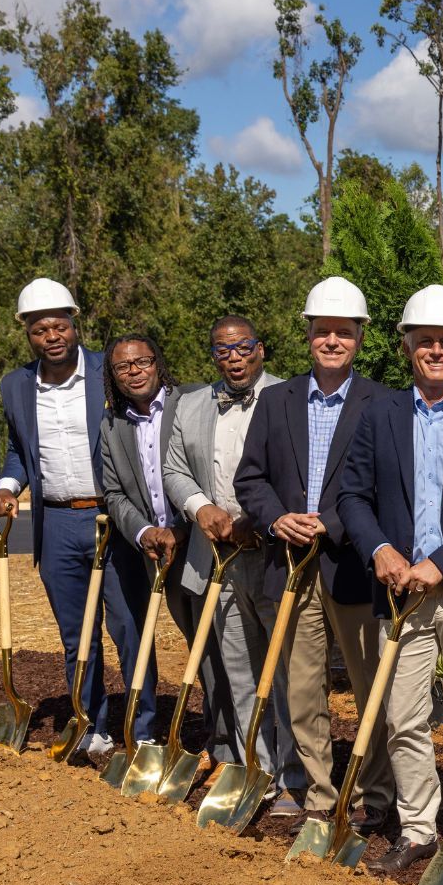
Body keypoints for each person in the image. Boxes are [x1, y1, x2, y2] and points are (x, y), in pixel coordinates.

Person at [336, 284, 443, 877]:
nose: (436, 351)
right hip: (401, 593)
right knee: (401, 716)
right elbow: (353, 494)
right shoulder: (378, 416)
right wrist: (381, 547)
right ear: (408, 346)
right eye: (425, 341)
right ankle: (417, 829)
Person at [234, 276, 394, 834]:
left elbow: (383, 485)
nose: (332, 341)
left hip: (350, 564)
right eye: (322, 331)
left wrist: (329, 522)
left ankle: (375, 794)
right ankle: (322, 795)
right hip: (290, 563)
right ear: (308, 336)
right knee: (302, 687)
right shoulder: (276, 401)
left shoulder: (382, 403)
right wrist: (276, 517)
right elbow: (249, 477)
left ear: (359, 338)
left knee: (369, 681)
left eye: (343, 333)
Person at [0, 278, 144, 757]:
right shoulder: (15, 385)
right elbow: (20, 450)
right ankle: (90, 723)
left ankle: (145, 727)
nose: (51, 335)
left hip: (111, 517)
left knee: (130, 628)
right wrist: (6, 487)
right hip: (55, 524)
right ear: (28, 334)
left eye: (59, 325)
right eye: (39, 329)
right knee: (77, 635)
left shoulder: (105, 371)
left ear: (75, 325)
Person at [163, 315, 305, 808]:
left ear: (260, 349)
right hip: (217, 558)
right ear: (214, 356)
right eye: (223, 350)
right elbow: (174, 469)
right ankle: (255, 768)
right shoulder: (192, 404)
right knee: (238, 669)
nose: (234, 357)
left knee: (286, 671)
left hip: (272, 555)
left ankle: (295, 774)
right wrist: (201, 507)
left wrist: (259, 520)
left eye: (243, 347)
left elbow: (302, 474)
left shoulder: (291, 397)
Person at [97, 334, 201, 762]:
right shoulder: (112, 424)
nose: (134, 371)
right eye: (123, 367)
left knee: (210, 645)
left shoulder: (192, 404)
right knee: (153, 634)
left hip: (196, 544)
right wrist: (144, 534)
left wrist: (179, 527)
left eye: (142, 362)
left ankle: (227, 739)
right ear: (114, 376)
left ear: (158, 363)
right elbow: (114, 493)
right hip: (152, 548)